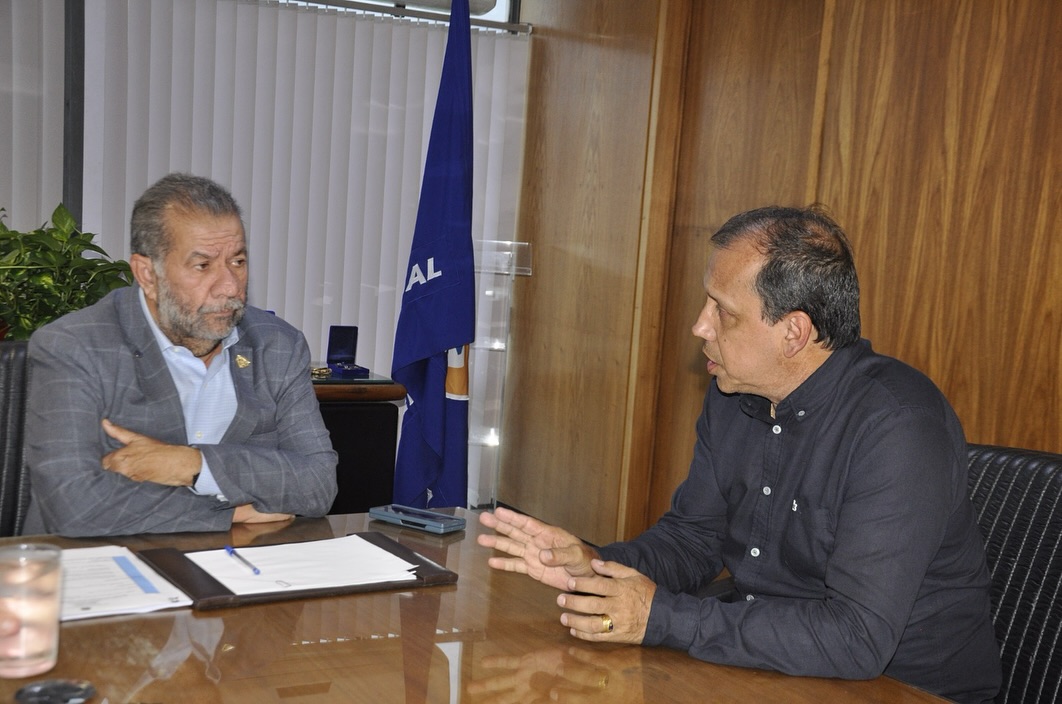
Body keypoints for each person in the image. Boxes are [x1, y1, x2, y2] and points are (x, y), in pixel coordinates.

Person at [479, 205, 1002, 703]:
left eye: (722, 312)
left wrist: (661, 618)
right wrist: (597, 568)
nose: (700, 327)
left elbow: (856, 636)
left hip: (901, 689)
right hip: (771, 666)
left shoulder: (897, 426)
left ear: (793, 332)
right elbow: (695, 538)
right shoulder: (735, 392)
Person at [22, 173, 338, 536]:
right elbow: (73, 506)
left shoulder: (277, 347)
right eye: (202, 266)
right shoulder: (74, 346)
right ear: (147, 274)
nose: (229, 287)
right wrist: (232, 512)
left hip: (235, 574)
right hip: (99, 572)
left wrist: (194, 465)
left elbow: (318, 484)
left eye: (237, 261)